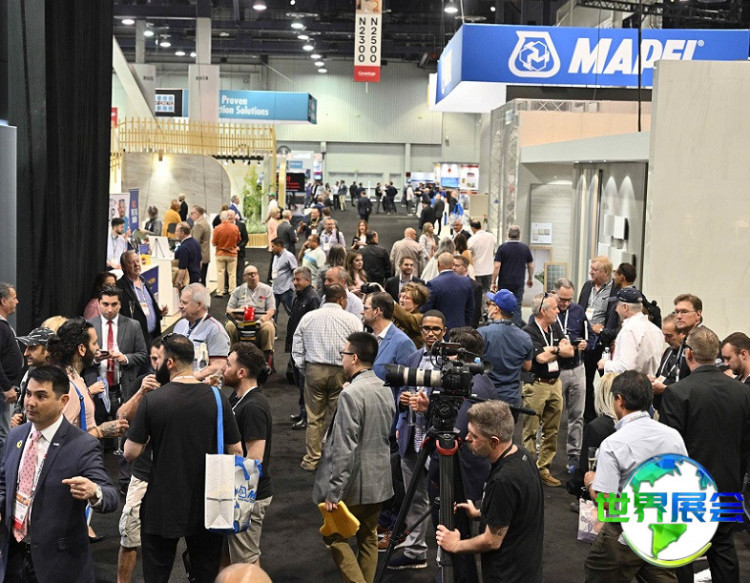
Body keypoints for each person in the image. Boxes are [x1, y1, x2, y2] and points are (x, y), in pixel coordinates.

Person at [124, 333, 242, 583]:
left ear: (170, 362)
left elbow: (130, 453)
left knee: (156, 574)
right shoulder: (218, 398)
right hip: (209, 502)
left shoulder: (153, 400)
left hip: (162, 503)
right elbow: (237, 452)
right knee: (206, 573)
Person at [0, 365, 119, 583]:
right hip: (13, 559)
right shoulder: (15, 436)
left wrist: (94, 491)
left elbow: (110, 497)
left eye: (41, 396)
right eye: (28, 394)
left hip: (58, 564)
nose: (30, 402)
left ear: (63, 401)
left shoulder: (82, 445)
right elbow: (4, 484)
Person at [661, 326, 750, 583]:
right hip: (729, 485)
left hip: (689, 489)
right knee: (723, 547)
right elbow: (746, 444)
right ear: (716, 354)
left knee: (683, 549)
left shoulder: (677, 392)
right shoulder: (743, 392)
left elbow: (671, 449)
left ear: (688, 354)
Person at [583, 371, 687, 583]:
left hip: (624, 535)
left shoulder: (613, 444)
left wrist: (591, 481)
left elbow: (607, 503)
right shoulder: (673, 437)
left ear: (619, 400)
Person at [313, 332, 395, 583]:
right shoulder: (385, 388)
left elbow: (344, 447)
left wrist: (334, 492)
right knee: (368, 537)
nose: (342, 359)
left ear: (354, 358)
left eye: (344, 354)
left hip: (354, 484)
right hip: (380, 479)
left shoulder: (350, 394)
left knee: (333, 536)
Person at [435, 400, 544, 583]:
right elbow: (515, 510)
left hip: (508, 576)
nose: (467, 438)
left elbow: (491, 540)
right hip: (527, 571)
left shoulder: (504, 480)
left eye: (474, 436)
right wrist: (481, 513)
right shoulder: (522, 455)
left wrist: (455, 544)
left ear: (494, 441)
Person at [388, 310, 447, 570]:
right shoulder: (412, 358)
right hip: (411, 437)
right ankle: (415, 550)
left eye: (436, 329)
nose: (431, 333)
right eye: (426, 328)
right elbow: (403, 392)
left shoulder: (451, 362)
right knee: (413, 497)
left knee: (443, 500)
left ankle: (447, 556)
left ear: (444, 331)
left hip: (438, 442)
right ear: (420, 330)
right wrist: (402, 405)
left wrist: (429, 406)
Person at [292, 284, 363, 472]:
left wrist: (304, 368)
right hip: (342, 372)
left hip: (314, 370)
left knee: (314, 418)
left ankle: (312, 459)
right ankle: (336, 461)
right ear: (341, 299)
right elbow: (358, 349)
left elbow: (296, 345)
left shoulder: (309, 317)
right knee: (340, 418)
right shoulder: (353, 320)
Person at [115, 338, 163, 583]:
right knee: (129, 533)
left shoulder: (185, 387)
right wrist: (141, 392)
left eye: (160, 358)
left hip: (175, 474)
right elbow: (121, 416)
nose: (156, 364)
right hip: (143, 472)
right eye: (153, 358)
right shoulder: (143, 383)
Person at [223, 343, 274, 566]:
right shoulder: (237, 398)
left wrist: (236, 500)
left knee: (246, 560)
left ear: (241, 372)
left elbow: (255, 458)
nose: (223, 368)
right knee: (232, 556)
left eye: (228, 364)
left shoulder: (253, 406)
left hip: (247, 494)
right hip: (238, 490)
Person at [521, 293, 575, 487]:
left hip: (555, 384)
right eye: (554, 308)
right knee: (531, 430)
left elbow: (570, 351)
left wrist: (552, 350)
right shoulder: (529, 331)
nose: (558, 311)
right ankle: (528, 471)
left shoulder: (555, 328)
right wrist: (557, 349)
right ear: (543, 311)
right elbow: (540, 358)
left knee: (552, 430)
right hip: (536, 385)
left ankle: (543, 469)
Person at [87, 285, 148, 415]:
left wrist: (125, 358)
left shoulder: (133, 325)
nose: (109, 309)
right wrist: (94, 359)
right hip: (97, 389)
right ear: (98, 303)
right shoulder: (89, 326)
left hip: (124, 388)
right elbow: (80, 358)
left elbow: (143, 354)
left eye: (114, 304)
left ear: (120, 304)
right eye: (105, 304)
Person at [551, 278, 590, 473]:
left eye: (569, 299)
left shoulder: (578, 311)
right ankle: (544, 458)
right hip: (555, 370)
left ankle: (574, 456)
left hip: (577, 368)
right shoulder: (547, 311)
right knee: (551, 415)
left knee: (577, 415)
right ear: (554, 294)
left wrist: (585, 343)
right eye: (562, 299)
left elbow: (589, 336)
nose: (565, 303)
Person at [478, 290, 533, 410]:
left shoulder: (482, 334)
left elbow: (473, 362)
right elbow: (527, 367)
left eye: (490, 304)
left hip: (486, 397)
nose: (488, 307)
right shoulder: (525, 337)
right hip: (512, 400)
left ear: (496, 309)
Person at [598, 287, 663, 376]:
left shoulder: (629, 331)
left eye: (617, 305)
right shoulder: (655, 330)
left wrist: (605, 364)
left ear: (625, 307)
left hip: (631, 383)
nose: (616, 310)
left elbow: (625, 368)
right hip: (650, 382)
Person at [287, 267, 321, 430]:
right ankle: (302, 413)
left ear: (308, 280)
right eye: (294, 279)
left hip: (306, 350)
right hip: (296, 348)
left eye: (298, 279)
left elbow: (314, 326)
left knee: (305, 386)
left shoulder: (312, 299)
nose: (295, 282)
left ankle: (307, 417)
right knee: (300, 385)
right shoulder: (299, 297)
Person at [173, 283, 231, 381]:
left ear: (199, 305)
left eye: (184, 303)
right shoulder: (180, 325)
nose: (180, 306)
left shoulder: (216, 331)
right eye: (180, 302)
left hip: (199, 386)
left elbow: (219, 366)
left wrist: (190, 378)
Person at [226, 265, 276, 359]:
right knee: (229, 326)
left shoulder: (267, 290)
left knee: (269, 327)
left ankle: (266, 354)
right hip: (241, 320)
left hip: (260, 320)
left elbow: (271, 310)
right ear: (245, 276)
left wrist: (261, 320)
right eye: (250, 274)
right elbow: (229, 310)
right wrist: (238, 311)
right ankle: (232, 352)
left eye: (255, 274)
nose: (253, 276)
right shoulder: (238, 291)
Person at [364, 292, 416, 383]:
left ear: (376, 311)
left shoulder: (403, 343)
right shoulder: (368, 339)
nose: (362, 312)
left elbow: (409, 382)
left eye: (366, 308)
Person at [118, 250, 167, 344]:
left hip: (154, 337)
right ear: (123, 267)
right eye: (131, 262)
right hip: (136, 341)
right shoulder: (120, 288)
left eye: (137, 261)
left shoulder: (145, 283)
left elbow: (148, 306)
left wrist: (158, 313)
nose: (136, 264)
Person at [491, 225, 533, 326]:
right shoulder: (525, 248)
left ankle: (502, 326)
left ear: (508, 235)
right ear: (519, 235)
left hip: (504, 282)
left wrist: (493, 281)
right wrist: (530, 279)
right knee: (517, 306)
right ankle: (516, 328)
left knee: (502, 305)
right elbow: (531, 265)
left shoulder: (502, 248)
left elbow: (497, 266)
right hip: (518, 282)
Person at [421, 252, 474, 330]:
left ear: (438, 264)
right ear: (453, 264)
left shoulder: (433, 284)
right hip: (461, 328)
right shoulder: (466, 282)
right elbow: (470, 309)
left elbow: (427, 309)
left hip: (440, 329)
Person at [0, 282, 23, 459]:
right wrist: (6, 387)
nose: (17, 302)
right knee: (3, 435)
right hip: (2, 392)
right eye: (13, 298)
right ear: (3, 301)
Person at [649, 313, 686, 413]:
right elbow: (661, 376)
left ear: (682, 334)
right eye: (664, 335)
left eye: (669, 336)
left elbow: (689, 388)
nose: (665, 340)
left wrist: (665, 389)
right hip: (662, 409)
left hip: (678, 410)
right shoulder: (669, 351)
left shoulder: (688, 357)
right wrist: (654, 380)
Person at [212, 211, 241, 298]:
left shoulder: (217, 228)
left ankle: (220, 291)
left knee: (220, 273)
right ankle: (232, 291)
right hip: (232, 253)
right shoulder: (235, 228)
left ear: (220, 218)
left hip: (220, 253)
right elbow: (238, 240)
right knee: (232, 273)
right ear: (228, 217)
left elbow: (214, 243)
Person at [392, 282, 429, 348]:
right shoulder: (395, 316)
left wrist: (389, 300)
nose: (401, 300)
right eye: (400, 296)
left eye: (406, 298)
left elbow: (407, 318)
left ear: (416, 303)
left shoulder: (421, 318)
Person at [271, 237, 298, 320]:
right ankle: (273, 328)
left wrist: (294, 285)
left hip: (286, 289)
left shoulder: (289, 256)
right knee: (273, 312)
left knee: (291, 312)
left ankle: (295, 326)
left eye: (273, 246)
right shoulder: (275, 256)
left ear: (279, 245)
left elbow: (296, 271)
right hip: (275, 289)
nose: (272, 249)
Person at [452, 254, 482, 327]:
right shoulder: (448, 283)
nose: (453, 268)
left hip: (466, 326)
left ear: (465, 268)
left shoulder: (475, 286)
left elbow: (475, 312)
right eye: (452, 265)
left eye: (457, 266)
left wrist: (470, 329)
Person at [467, 219, 496, 291]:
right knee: (487, 291)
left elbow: (469, 253)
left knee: (477, 292)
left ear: (473, 228)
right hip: (489, 270)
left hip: (477, 270)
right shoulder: (491, 237)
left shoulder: (472, 239)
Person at [174, 222, 203, 288]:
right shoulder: (196, 243)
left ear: (182, 233)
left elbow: (182, 269)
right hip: (196, 277)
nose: (175, 233)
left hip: (188, 281)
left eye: (176, 231)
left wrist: (178, 282)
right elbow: (200, 263)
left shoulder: (183, 248)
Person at [189, 206, 212, 285]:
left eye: (192, 213)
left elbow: (195, 242)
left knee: (198, 282)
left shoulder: (199, 225)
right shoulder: (205, 222)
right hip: (205, 255)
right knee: (202, 280)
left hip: (199, 257)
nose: (190, 215)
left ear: (197, 214)